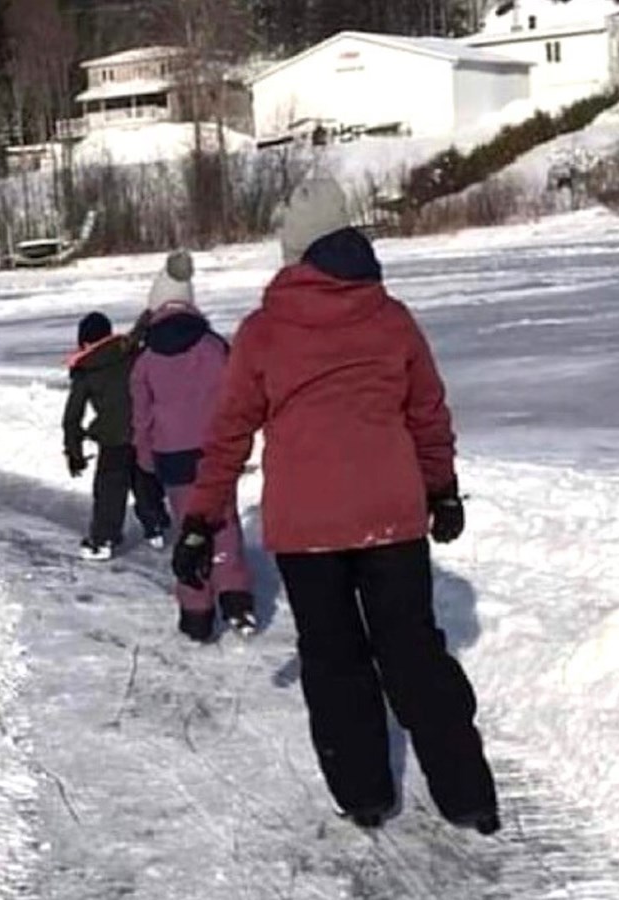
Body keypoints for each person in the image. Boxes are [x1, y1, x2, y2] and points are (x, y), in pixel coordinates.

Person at [170, 177, 499, 835]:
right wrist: (440, 489)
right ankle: (468, 796)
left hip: (307, 530)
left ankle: (365, 794)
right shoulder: (392, 317)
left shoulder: (263, 332)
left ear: (295, 253)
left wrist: (203, 519)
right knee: (412, 652)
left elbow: (229, 433)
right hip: (392, 518)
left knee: (334, 657)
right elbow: (427, 414)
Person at [131, 251, 255, 642]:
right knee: (224, 520)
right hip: (215, 451)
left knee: (189, 525)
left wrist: (146, 460)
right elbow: (237, 397)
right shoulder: (214, 347)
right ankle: (235, 597)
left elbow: (141, 417)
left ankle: (197, 612)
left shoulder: (145, 359)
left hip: (173, 458)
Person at [64, 311, 169, 561]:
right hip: (145, 429)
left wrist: (74, 453)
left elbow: (72, 417)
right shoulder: (131, 352)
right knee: (144, 480)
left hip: (113, 438)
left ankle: (103, 540)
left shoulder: (86, 369)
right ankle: (155, 526)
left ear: (84, 341)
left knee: (109, 489)